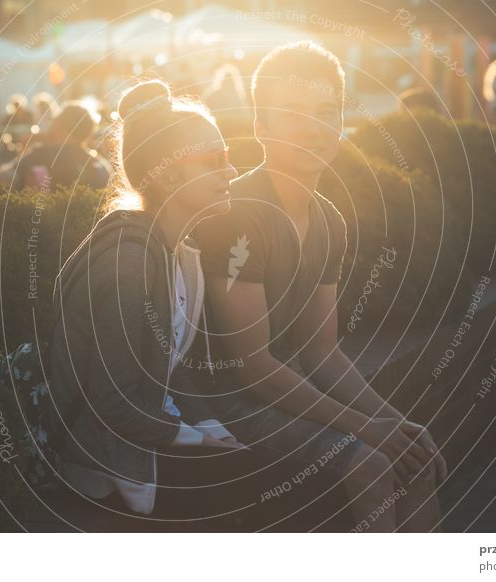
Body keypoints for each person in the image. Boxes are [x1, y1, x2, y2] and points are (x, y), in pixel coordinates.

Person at [47, 80, 345, 530]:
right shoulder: (126, 263)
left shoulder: (177, 251)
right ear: (168, 175)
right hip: (106, 467)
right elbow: (113, 403)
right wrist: (194, 438)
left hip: (147, 441)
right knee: (295, 492)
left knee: (299, 482)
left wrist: (213, 430)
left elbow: (174, 366)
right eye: (214, 161)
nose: (230, 172)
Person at [190, 41, 447, 532]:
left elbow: (322, 352)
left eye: (326, 112)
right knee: (373, 461)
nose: (314, 126)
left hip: (284, 389)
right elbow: (252, 368)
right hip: (222, 403)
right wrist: (366, 428)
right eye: (293, 113)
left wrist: (397, 424)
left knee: (410, 458)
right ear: (261, 128)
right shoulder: (239, 213)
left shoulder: (328, 220)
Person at [0, 102, 110, 191]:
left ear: (59, 126)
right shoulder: (99, 165)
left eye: (53, 122)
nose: (50, 126)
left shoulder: (40, 155)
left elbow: (4, 178)